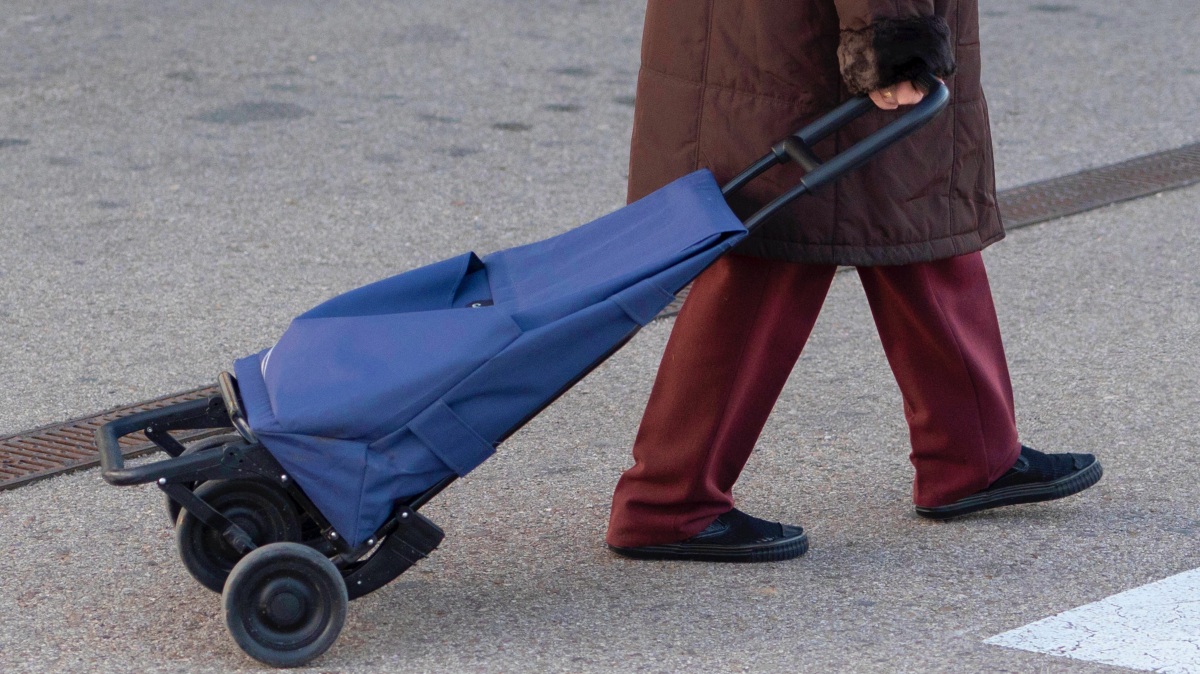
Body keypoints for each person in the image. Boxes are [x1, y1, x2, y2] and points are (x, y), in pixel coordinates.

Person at [605, 0, 1102, 562]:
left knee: (914, 221)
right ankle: (668, 501)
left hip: (761, 31)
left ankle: (974, 454)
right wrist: (893, 45)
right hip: (814, 42)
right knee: (779, 247)